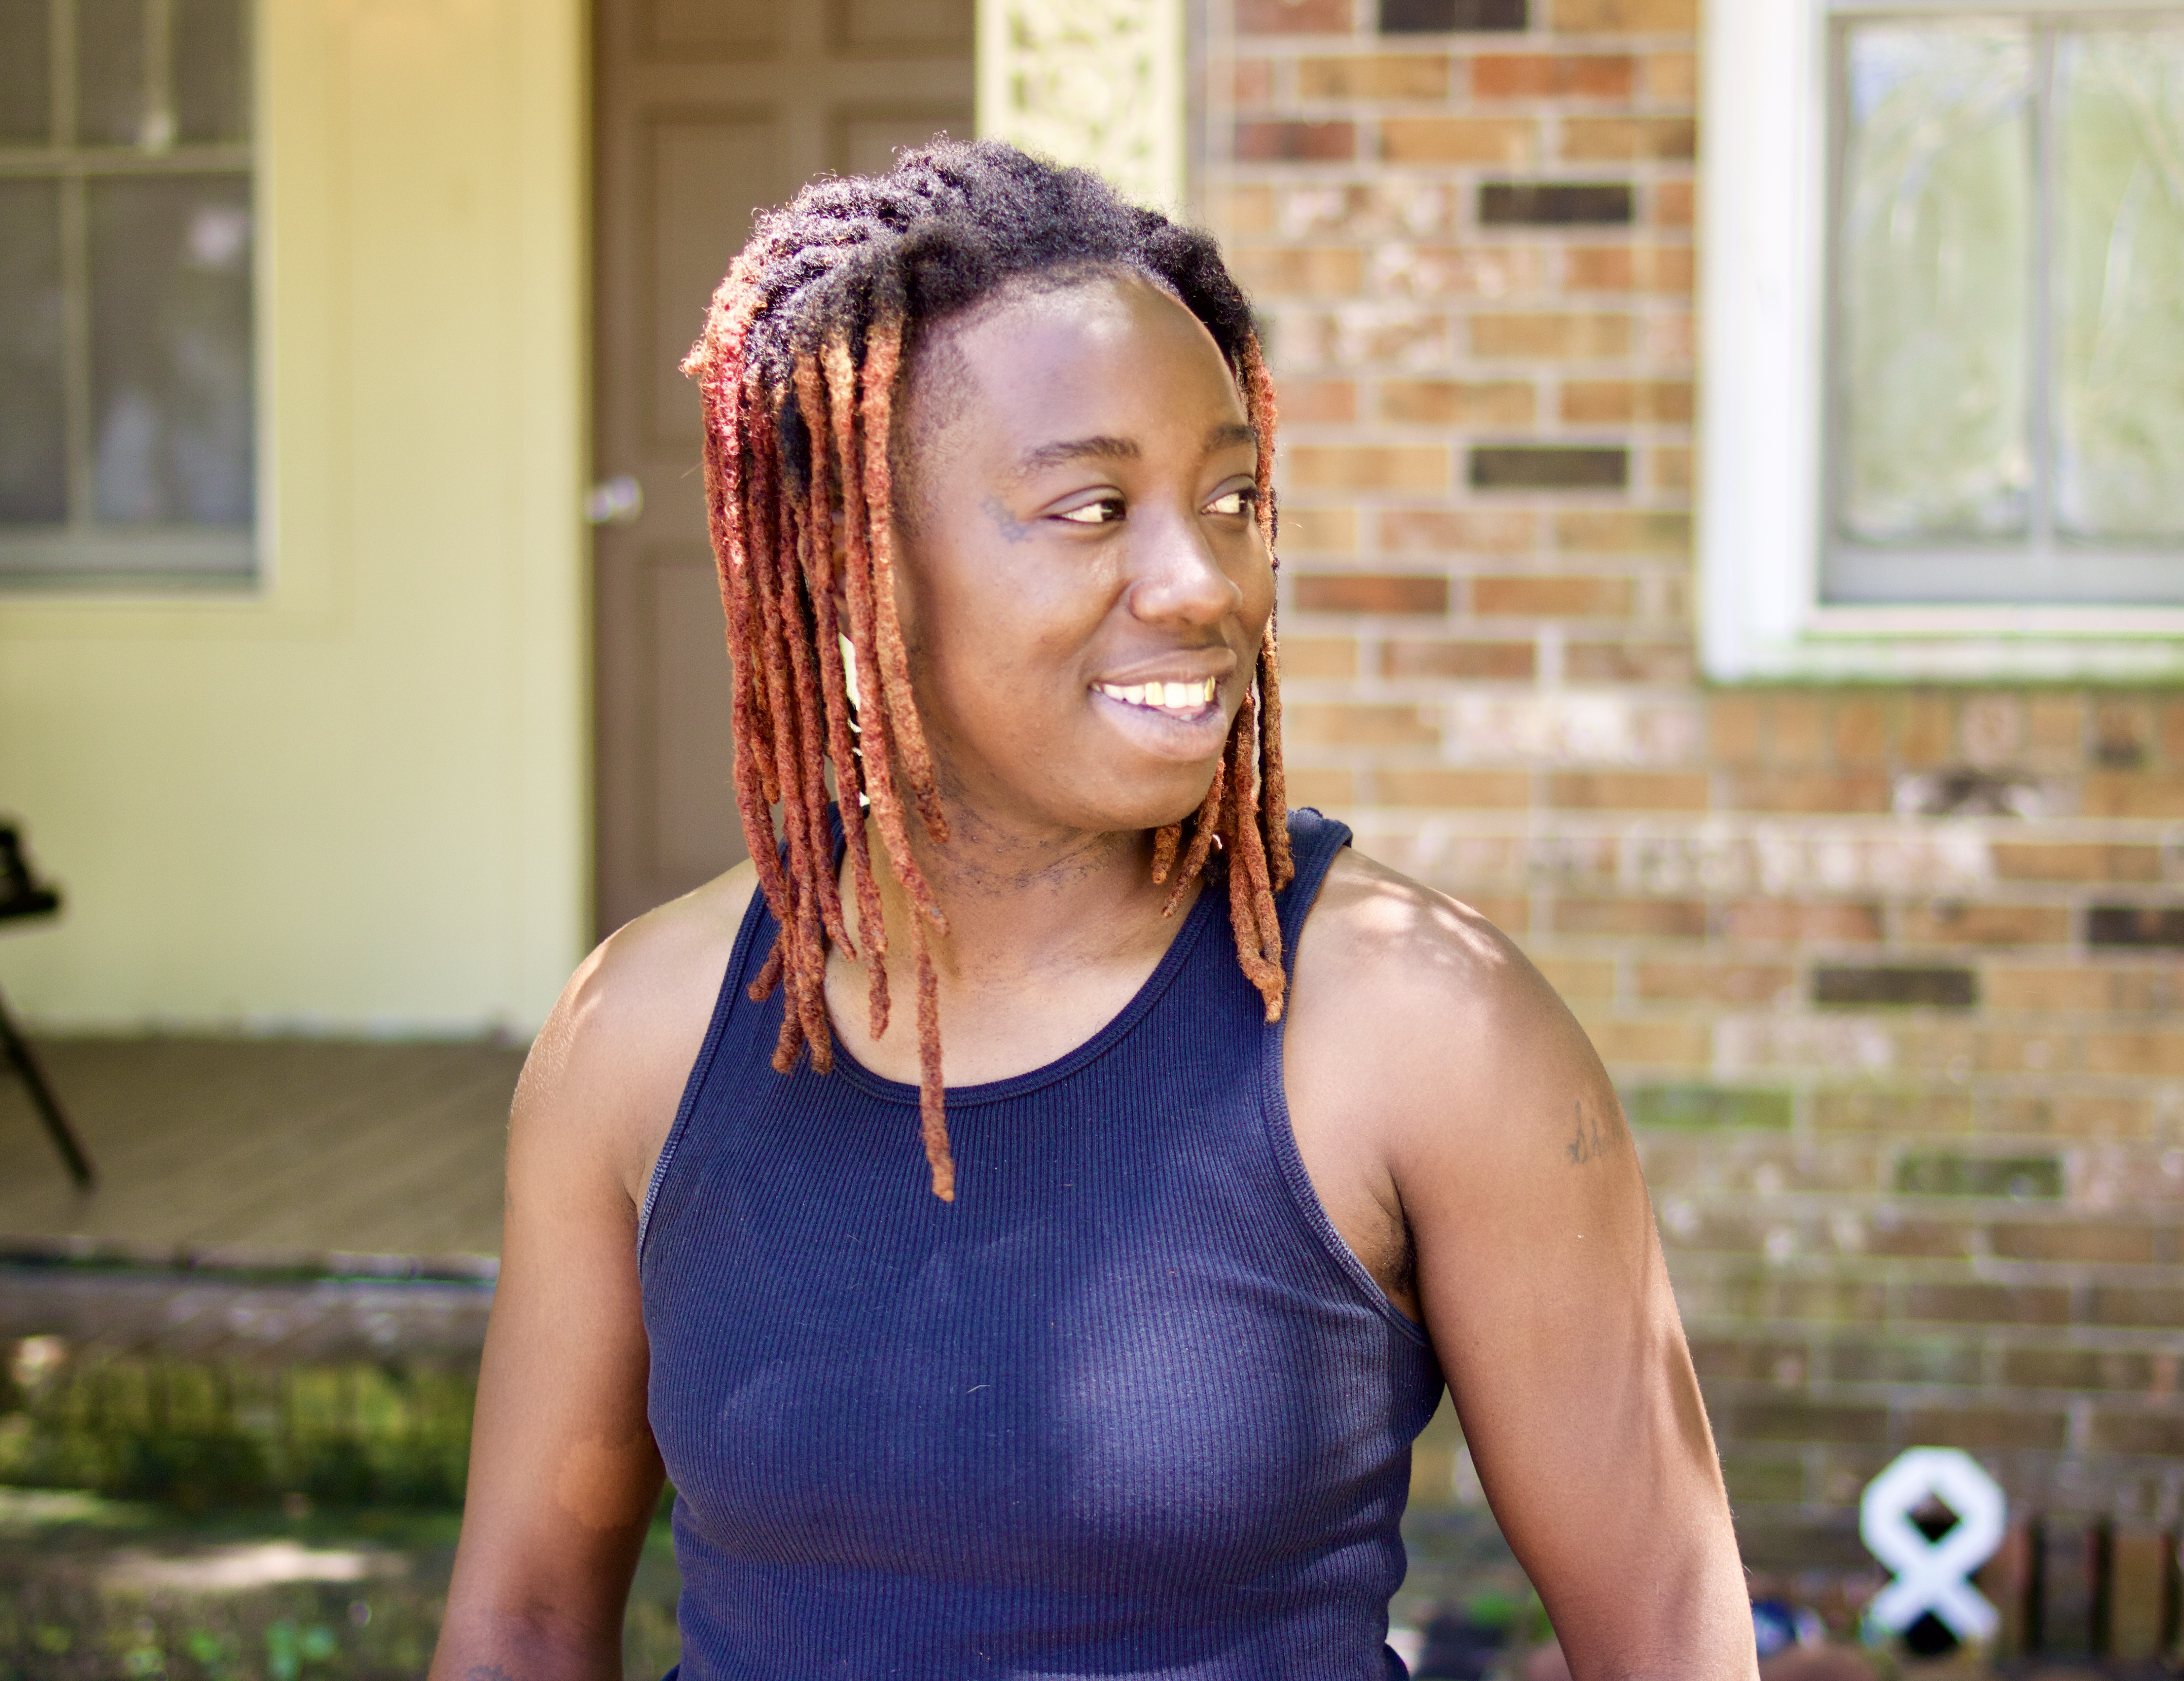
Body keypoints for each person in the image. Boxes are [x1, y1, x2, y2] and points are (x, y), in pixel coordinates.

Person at [431, 142, 1751, 1681]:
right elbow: (522, 1619)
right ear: (856, 569)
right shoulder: (644, 1036)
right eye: (1091, 507)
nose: (1205, 581)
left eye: (1234, 494)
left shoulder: (1422, 1033)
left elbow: (1669, 1630)